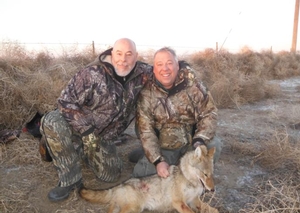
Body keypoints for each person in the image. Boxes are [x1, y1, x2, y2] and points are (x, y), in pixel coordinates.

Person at [40, 38, 153, 201]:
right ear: (112, 53)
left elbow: (167, 72)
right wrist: (86, 131)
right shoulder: (92, 73)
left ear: (136, 56)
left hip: (104, 138)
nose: (123, 59)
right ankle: (70, 179)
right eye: (119, 53)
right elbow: (65, 101)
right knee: (52, 120)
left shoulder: (143, 73)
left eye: (129, 54)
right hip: (80, 128)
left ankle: (75, 148)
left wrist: (184, 69)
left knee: (111, 175)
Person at [132, 47, 222, 178]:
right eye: (160, 64)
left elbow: (209, 112)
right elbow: (146, 130)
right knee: (141, 174)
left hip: (191, 144)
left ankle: (194, 173)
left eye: (169, 63)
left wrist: (200, 140)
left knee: (214, 146)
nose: (165, 69)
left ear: (177, 65)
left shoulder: (193, 84)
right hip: (164, 146)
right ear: (154, 68)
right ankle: (147, 153)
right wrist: (158, 160)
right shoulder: (146, 93)